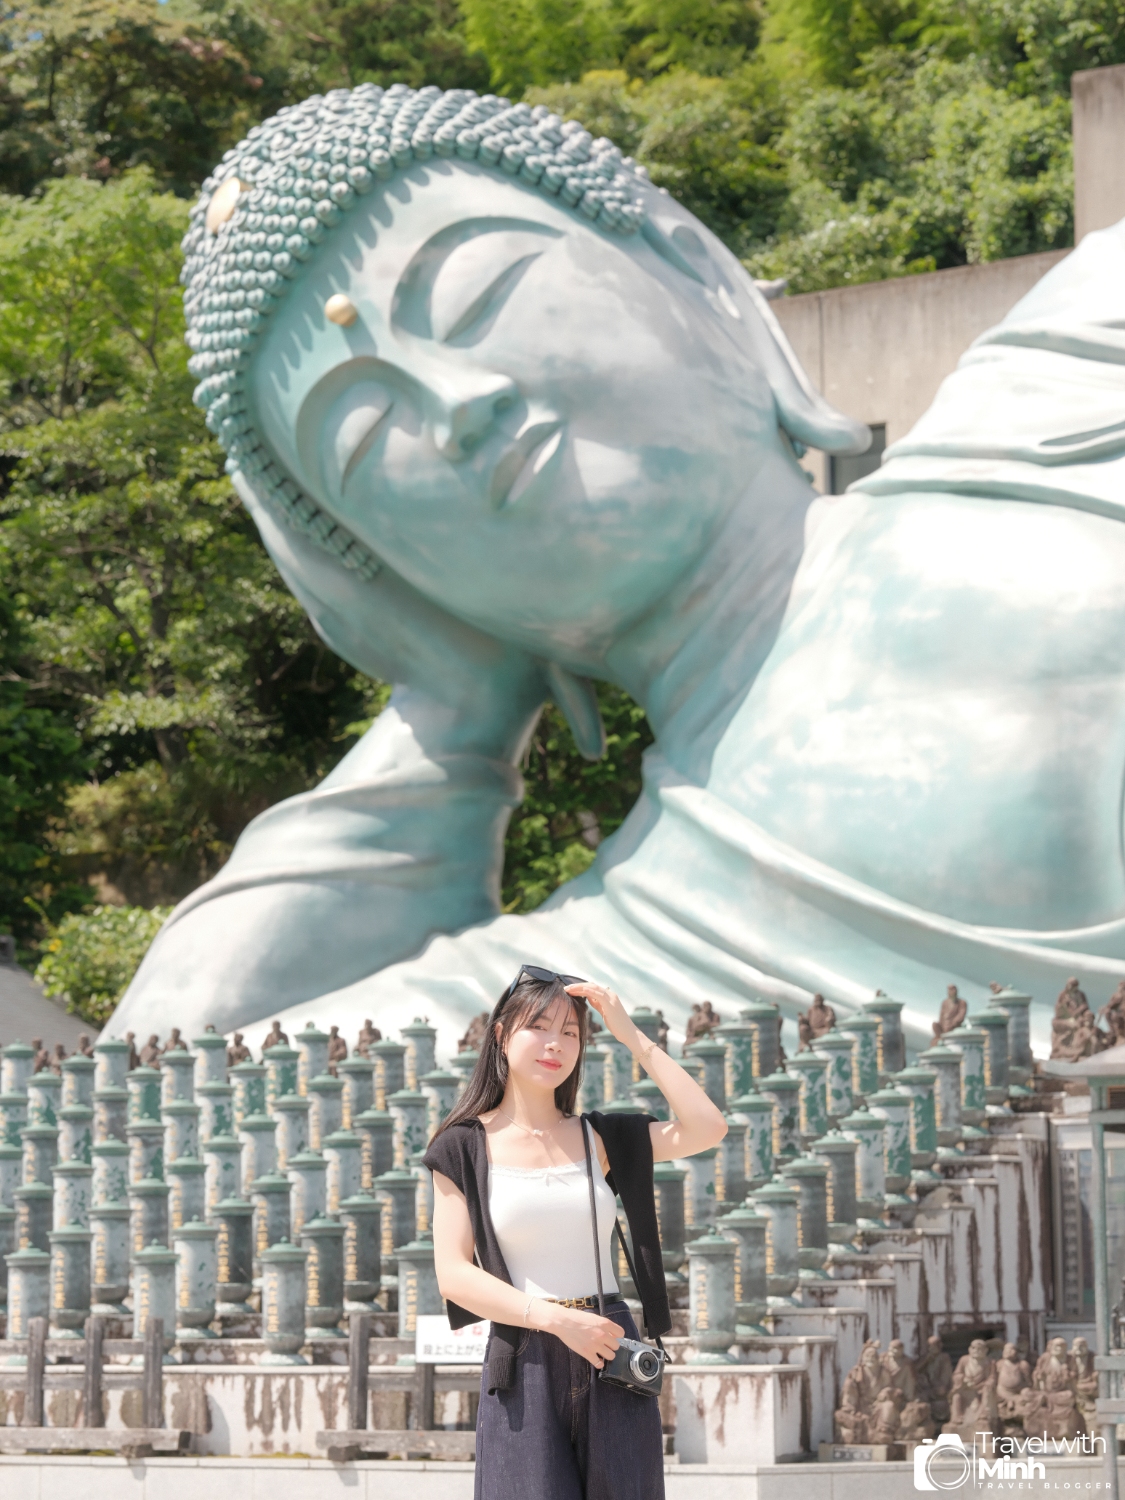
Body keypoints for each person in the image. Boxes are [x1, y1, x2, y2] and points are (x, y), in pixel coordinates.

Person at [424, 965, 726, 1500]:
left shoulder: (600, 1137)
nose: (555, 1044)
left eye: (571, 1033)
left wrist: (630, 1034)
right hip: (523, 1353)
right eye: (539, 1027)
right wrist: (557, 1320)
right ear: (501, 1034)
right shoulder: (462, 1146)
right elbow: (452, 1274)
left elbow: (707, 1125)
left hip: (611, 1343)